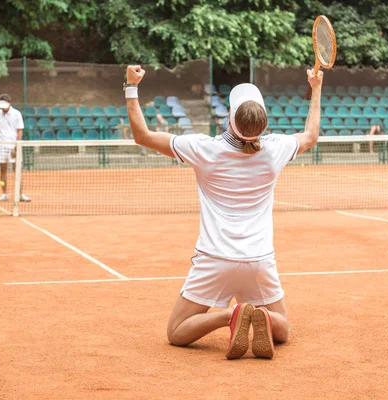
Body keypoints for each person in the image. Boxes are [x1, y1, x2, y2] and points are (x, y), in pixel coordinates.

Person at [124, 65, 323, 360]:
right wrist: (316, 87)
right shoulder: (275, 149)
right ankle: (261, 317)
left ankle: (229, 315)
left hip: (215, 259)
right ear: (262, 124)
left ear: (230, 117)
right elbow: (310, 135)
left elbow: (141, 135)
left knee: (177, 332)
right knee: (283, 332)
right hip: (259, 260)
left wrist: (131, 86)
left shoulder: (204, 149)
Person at [0, 94, 31, 202]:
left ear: (9, 103)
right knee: (3, 170)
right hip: (1, 145)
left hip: (13, 145)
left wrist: (16, 147)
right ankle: (4, 194)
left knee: (17, 170)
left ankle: (20, 195)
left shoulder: (17, 114)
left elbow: (20, 131)